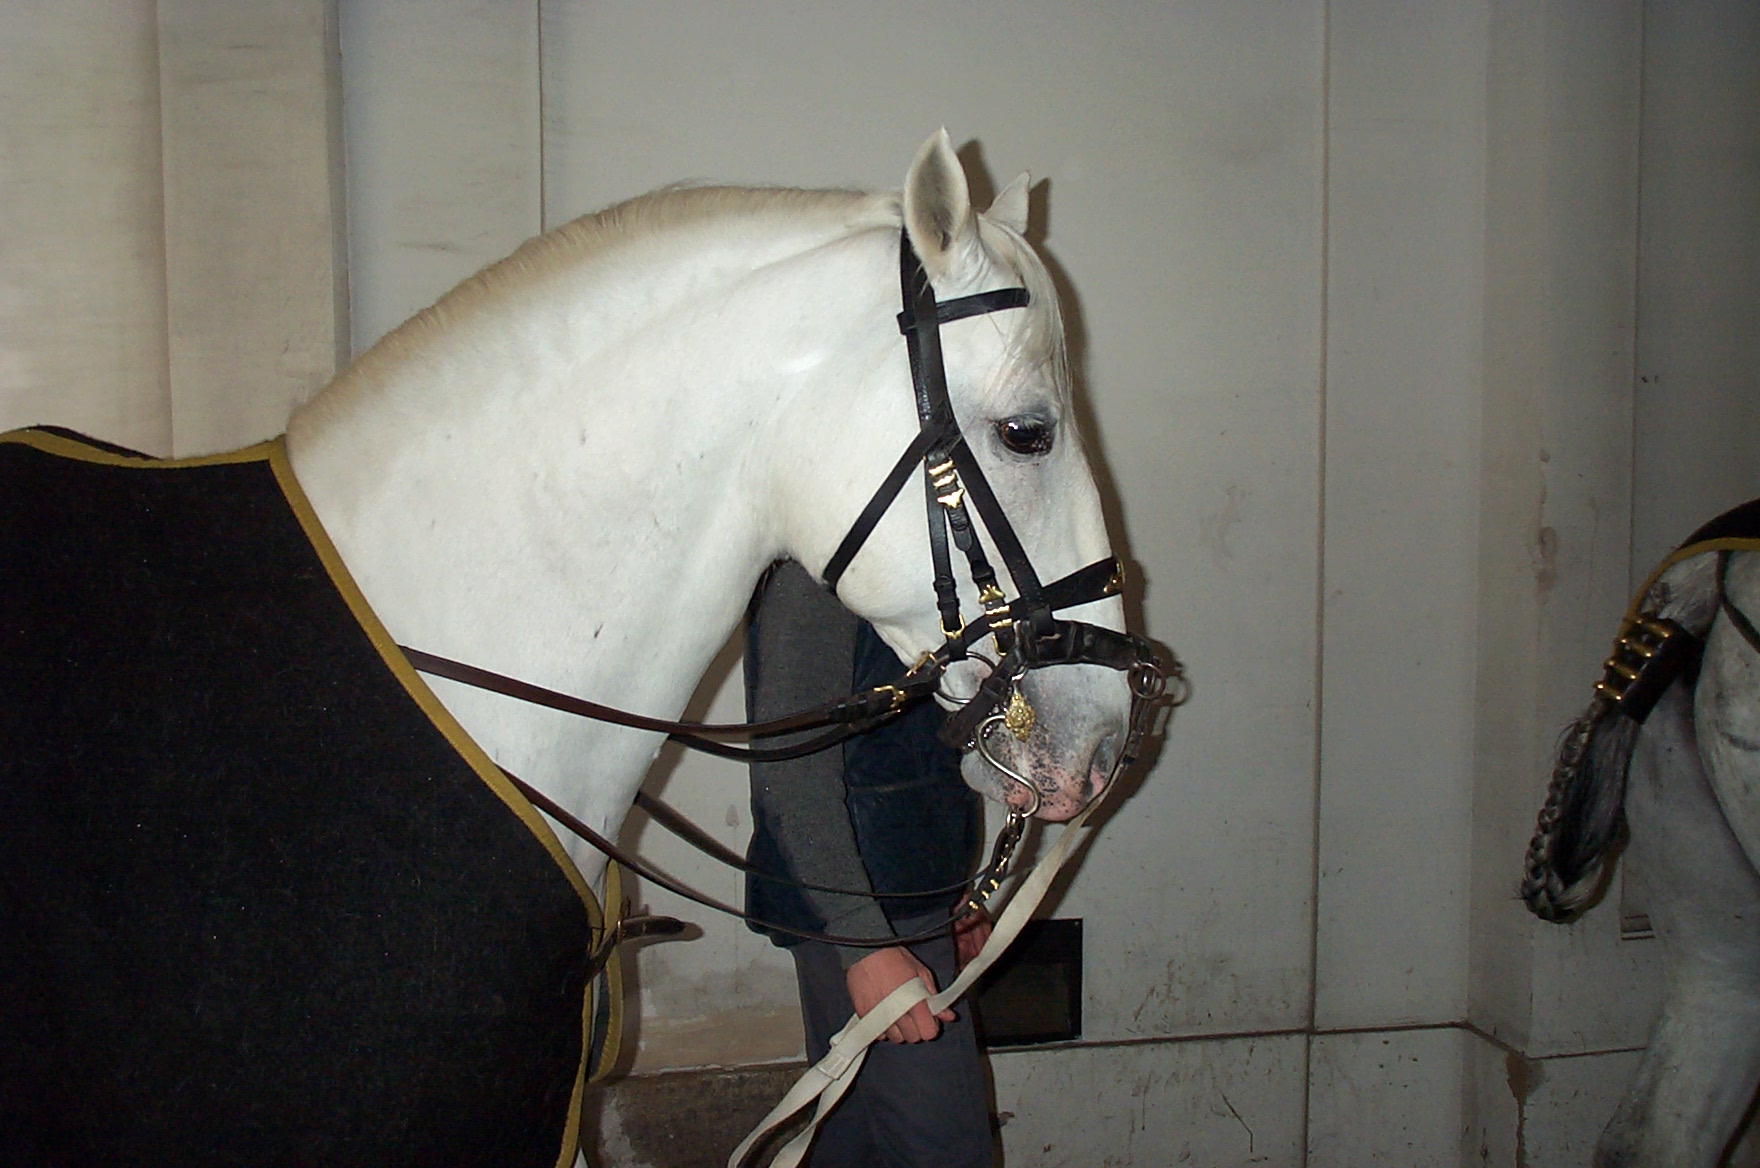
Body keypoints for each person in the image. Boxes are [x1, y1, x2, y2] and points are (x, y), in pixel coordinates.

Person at [744, 560, 997, 1167]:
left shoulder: (900, 561)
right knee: (943, 1150)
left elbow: (924, 742)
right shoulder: (817, 577)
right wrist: (863, 944)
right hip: (859, 917)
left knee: (855, 1143)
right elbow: (790, 770)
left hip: (904, 911)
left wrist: (954, 894)